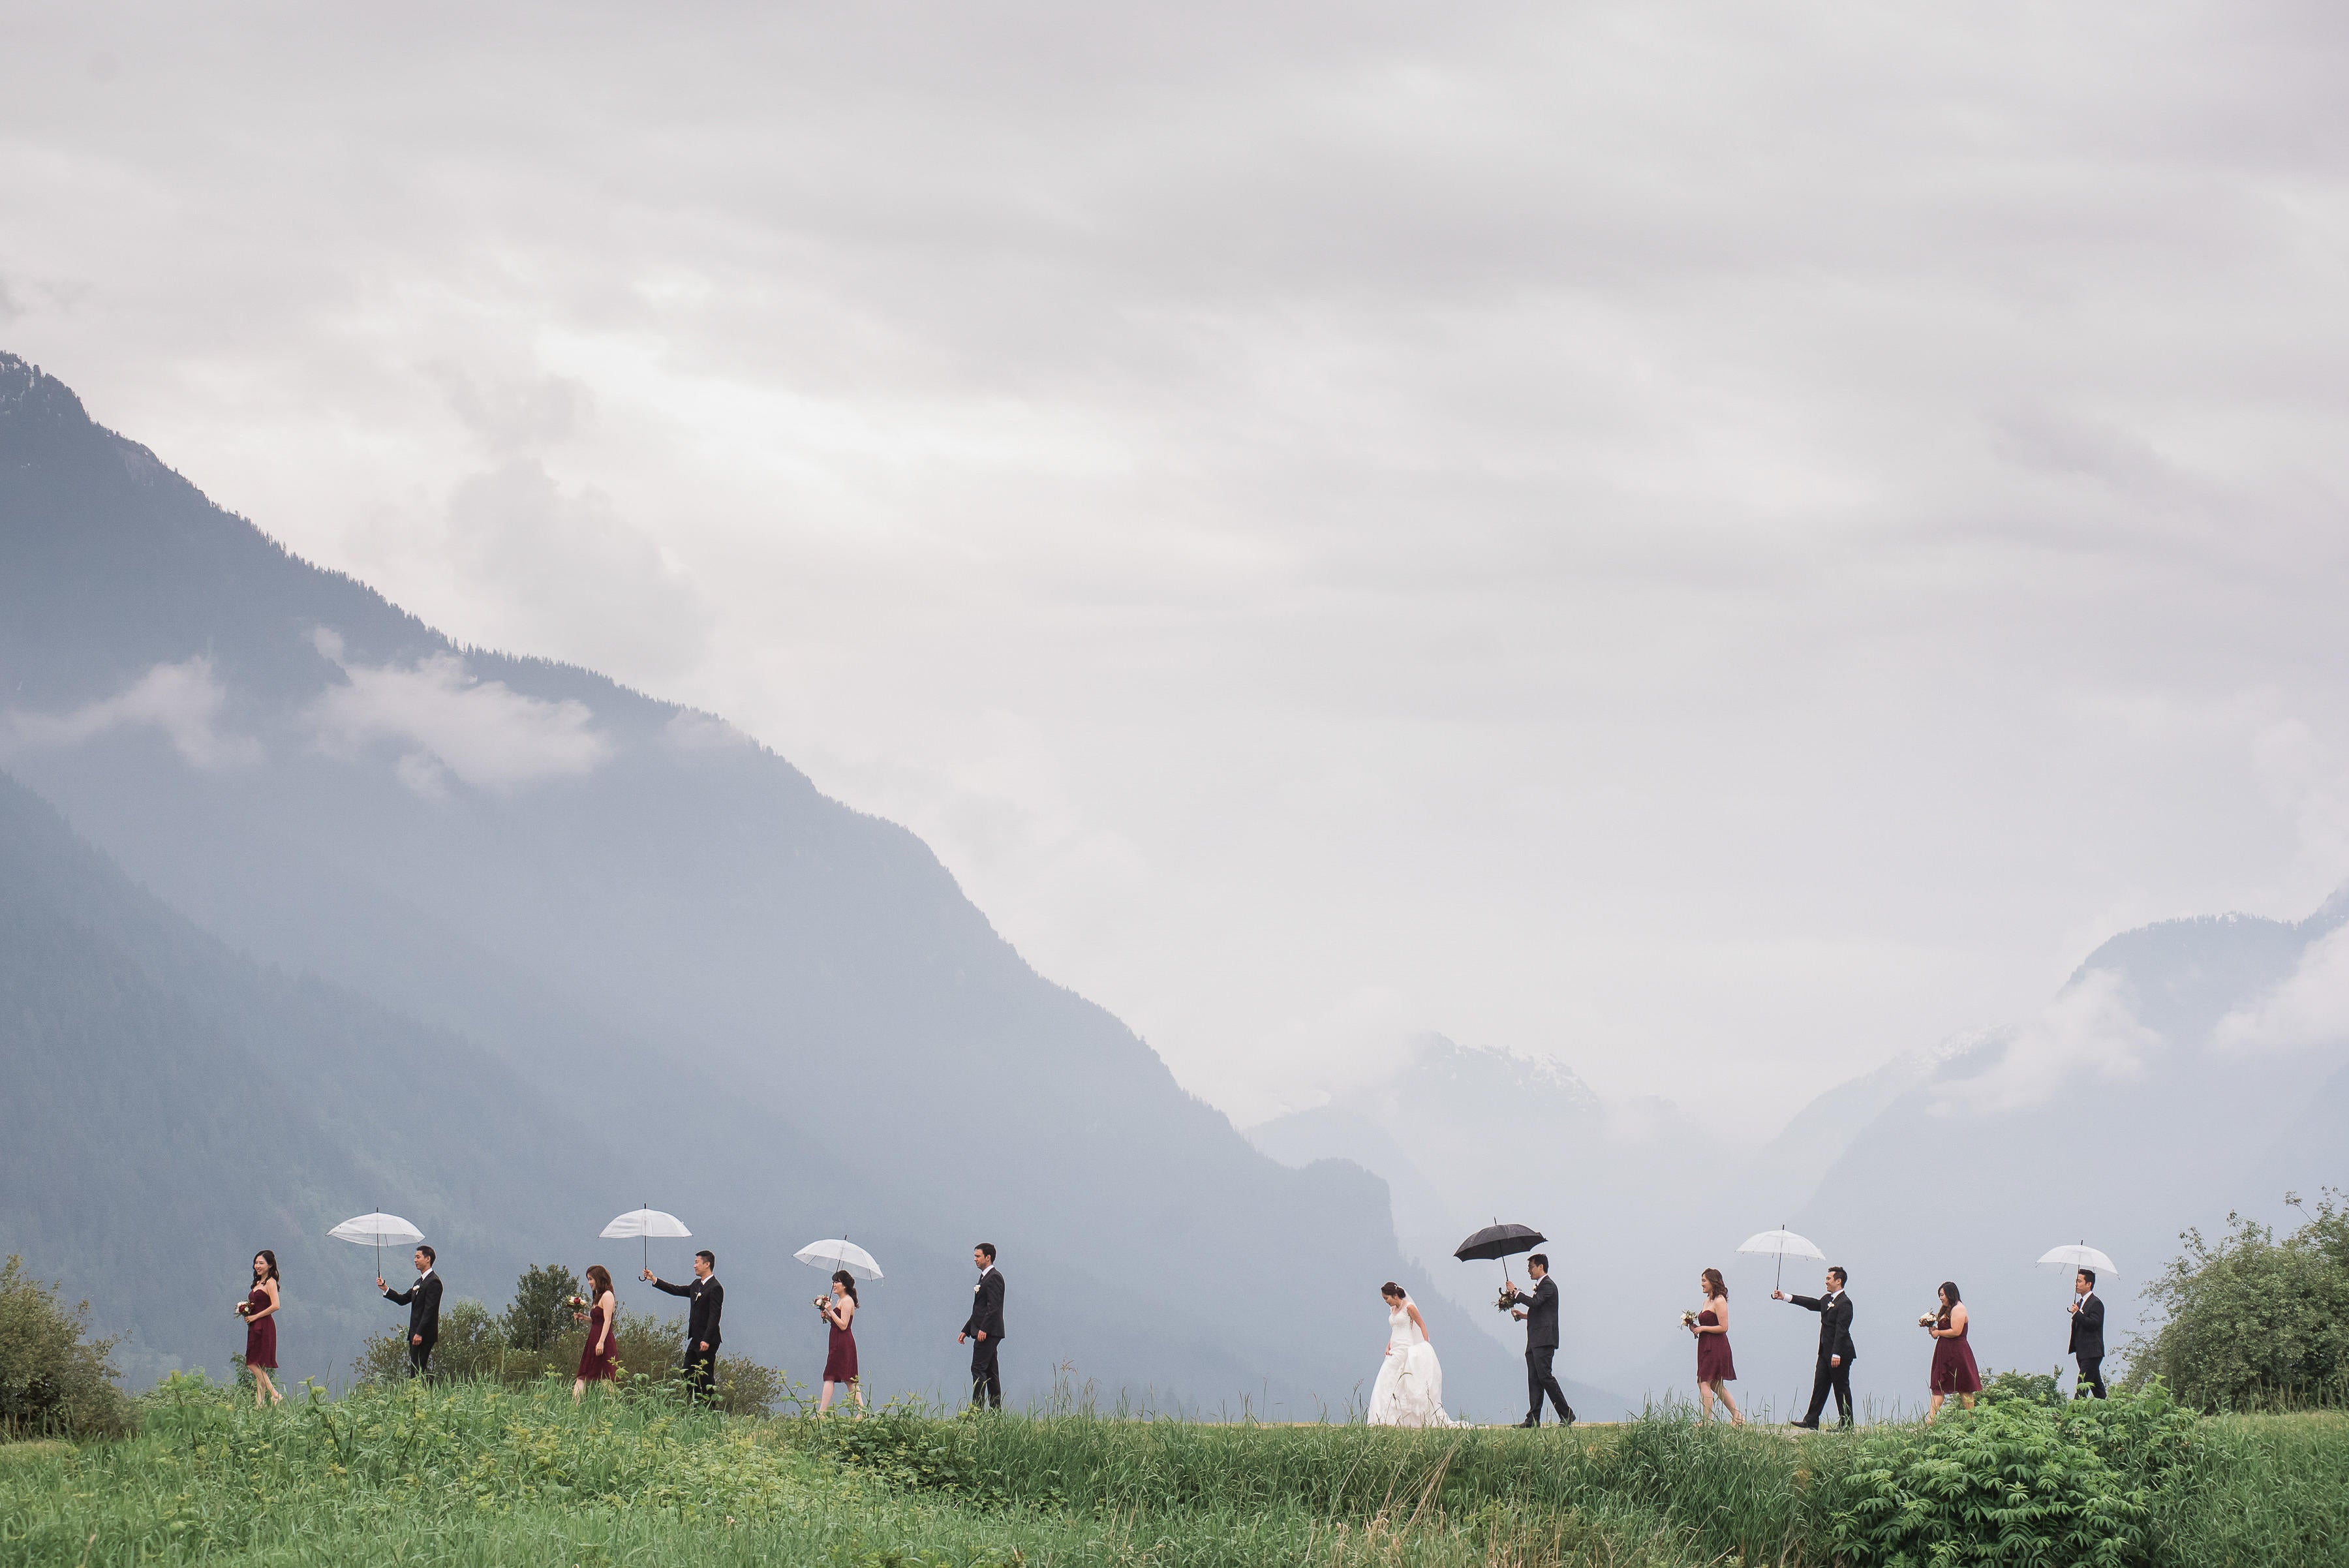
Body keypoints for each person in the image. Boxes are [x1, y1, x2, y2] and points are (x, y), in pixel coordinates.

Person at [1367, 1282, 1462, 1426]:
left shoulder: (1409, 1307)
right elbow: (1395, 1329)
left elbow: (1421, 1324)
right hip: (1395, 1349)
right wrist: (1388, 1345)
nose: (1386, 1302)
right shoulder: (1393, 1309)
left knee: (1404, 1383)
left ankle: (1402, 1419)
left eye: (1387, 1298)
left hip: (1406, 1348)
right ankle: (1384, 1418)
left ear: (1395, 1295)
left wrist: (1425, 1345)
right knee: (1386, 1380)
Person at [1775, 1265, 1856, 1429]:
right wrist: (1786, 1297)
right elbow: (1812, 1303)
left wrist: (1837, 1354)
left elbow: (1842, 1329)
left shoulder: (1845, 1303)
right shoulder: (1827, 1299)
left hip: (1839, 1353)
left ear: (1838, 1281)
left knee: (1841, 1388)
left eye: (1829, 1279)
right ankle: (1811, 1420)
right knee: (1820, 1385)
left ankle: (1847, 1424)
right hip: (1825, 1352)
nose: (1826, 1281)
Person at [1503, 1253, 1575, 1427]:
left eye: (1531, 1267)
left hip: (1544, 1340)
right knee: (1534, 1378)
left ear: (1541, 1267)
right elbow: (1540, 1312)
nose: (1529, 1271)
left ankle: (1566, 1414)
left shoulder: (1549, 1286)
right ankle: (1533, 1419)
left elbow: (1535, 1303)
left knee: (1545, 1377)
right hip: (1535, 1340)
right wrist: (1523, 1315)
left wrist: (1515, 1292)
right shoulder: (1541, 1287)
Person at [645, 1250, 724, 1405]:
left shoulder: (715, 1288)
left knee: (706, 1376)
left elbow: (715, 1316)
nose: (694, 1266)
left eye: (697, 1262)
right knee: (687, 1372)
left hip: (708, 1340)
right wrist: (654, 1279)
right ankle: (696, 1403)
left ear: (707, 1264)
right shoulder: (696, 1285)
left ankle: (710, 1410)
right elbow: (676, 1290)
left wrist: (707, 1340)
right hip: (695, 1339)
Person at [379, 1246, 442, 1378]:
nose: (415, 1260)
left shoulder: (434, 1282)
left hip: (424, 1335)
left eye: (418, 1257)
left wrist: (419, 1333)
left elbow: (429, 1311)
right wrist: (385, 1288)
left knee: (420, 1368)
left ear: (428, 1259)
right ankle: (418, 1395)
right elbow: (403, 1299)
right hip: (414, 1334)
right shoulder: (418, 1282)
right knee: (415, 1369)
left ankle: (427, 1394)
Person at [1688, 1267, 1740, 1425]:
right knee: (1715, 1384)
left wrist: (1703, 1328)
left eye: (1704, 1281)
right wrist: (1695, 1327)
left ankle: (1707, 1421)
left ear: (1712, 1282)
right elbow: (1707, 1322)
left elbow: (1724, 1327)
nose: (1702, 1284)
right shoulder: (1707, 1301)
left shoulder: (1719, 1300)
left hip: (1716, 1346)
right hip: (1705, 1345)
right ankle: (1738, 1417)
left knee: (1704, 1382)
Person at [958, 1242, 1006, 1409]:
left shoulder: (995, 1277)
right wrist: (966, 1329)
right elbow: (980, 1309)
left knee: (978, 1368)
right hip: (984, 1330)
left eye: (978, 1256)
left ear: (988, 1257)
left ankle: (977, 1410)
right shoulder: (984, 1277)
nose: (975, 1259)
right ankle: (995, 1411)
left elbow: (994, 1308)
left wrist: (983, 1329)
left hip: (988, 1332)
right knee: (991, 1372)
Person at [1925, 1280, 1980, 1422]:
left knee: (1964, 1386)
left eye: (1942, 1294)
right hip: (1944, 1351)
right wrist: (1934, 1330)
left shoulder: (1959, 1309)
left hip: (1957, 1352)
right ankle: (1930, 1420)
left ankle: (1972, 1419)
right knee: (1938, 1386)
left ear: (1950, 1294)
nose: (1941, 1298)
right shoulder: (1947, 1309)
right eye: (1940, 1295)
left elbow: (1956, 1331)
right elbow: (1944, 1330)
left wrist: (1939, 1333)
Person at [236, 1250, 283, 1407]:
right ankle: (260, 1403)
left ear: (270, 1265)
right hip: (254, 1326)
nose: (258, 1266)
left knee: (251, 1363)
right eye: (256, 1263)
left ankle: (275, 1394)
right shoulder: (257, 1283)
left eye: (261, 1263)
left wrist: (255, 1316)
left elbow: (276, 1305)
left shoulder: (270, 1283)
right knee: (258, 1365)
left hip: (263, 1325)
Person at [818, 1270, 863, 1413]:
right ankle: (863, 1412)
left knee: (830, 1375)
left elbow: (843, 1325)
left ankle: (822, 1413)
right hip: (836, 1341)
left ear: (844, 1285)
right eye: (833, 1282)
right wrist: (827, 1316)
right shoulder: (839, 1301)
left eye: (836, 1282)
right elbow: (836, 1323)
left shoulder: (847, 1301)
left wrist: (831, 1312)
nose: (834, 1285)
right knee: (849, 1379)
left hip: (842, 1343)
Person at [573, 1265, 620, 1401]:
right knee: (582, 1375)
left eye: (591, 1279)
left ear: (599, 1278)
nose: (589, 1283)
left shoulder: (607, 1296)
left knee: (605, 1377)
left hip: (603, 1340)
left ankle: (613, 1409)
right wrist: (585, 1318)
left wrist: (601, 1342)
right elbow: (597, 1321)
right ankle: (574, 1407)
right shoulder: (598, 1297)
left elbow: (607, 1321)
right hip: (594, 1339)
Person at [2068, 1268, 2106, 1398]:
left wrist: (2077, 1314)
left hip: (2092, 1352)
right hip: (2082, 1352)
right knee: (2097, 1387)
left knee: (2082, 1385)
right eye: (2076, 1281)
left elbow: (2094, 1324)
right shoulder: (2080, 1303)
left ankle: (2073, 1414)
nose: (2076, 1284)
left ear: (2088, 1284)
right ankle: (2108, 1412)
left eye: (2079, 1281)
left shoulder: (2096, 1303)